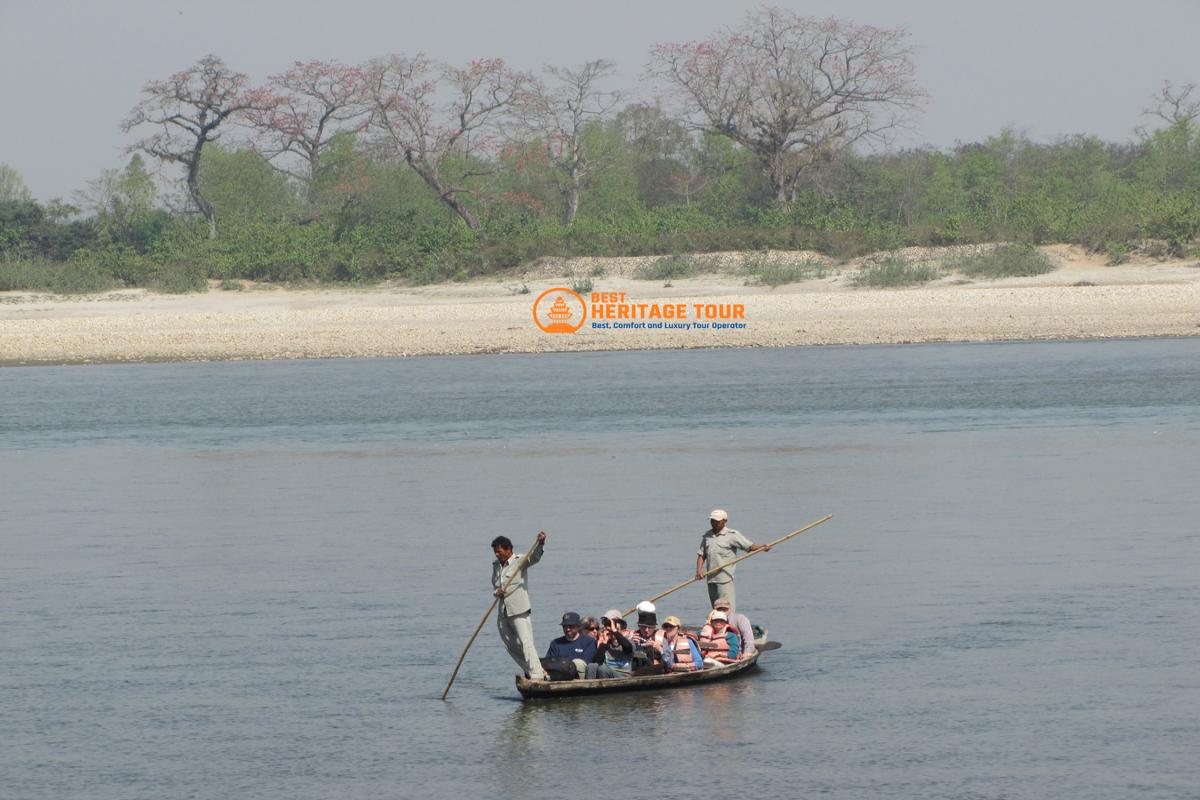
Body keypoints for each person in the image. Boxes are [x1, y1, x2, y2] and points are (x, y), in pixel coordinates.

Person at [492, 531, 547, 681]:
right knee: (508, 644)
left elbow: (534, 558)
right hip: (503, 612)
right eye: (495, 552)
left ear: (508, 549)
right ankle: (532, 669)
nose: (497, 554)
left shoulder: (519, 560)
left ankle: (537, 675)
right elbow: (495, 586)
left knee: (526, 642)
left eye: (499, 551)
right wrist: (497, 592)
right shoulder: (496, 566)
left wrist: (540, 543)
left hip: (519, 609)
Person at [695, 509, 770, 610]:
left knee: (727, 609)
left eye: (717, 521)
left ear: (725, 521)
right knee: (716, 609)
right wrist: (699, 571)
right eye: (712, 520)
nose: (714, 523)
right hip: (711, 579)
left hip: (725, 578)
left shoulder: (732, 535)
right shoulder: (707, 536)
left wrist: (762, 547)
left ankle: (730, 625)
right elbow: (701, 555)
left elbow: (749, 546)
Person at [543, 611, 597, 679]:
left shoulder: (589, 642)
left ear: (578, 626)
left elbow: (585, 663)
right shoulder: (555, 643)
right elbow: (548, 663)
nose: (567, 629)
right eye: (564, 626)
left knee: (578, 663)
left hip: (581, 678)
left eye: (571, 626)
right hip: (559, 678)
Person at [586, 609, 635, 679]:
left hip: (623, 676)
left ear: (622, 629)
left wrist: (615, 631)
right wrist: (604, 643)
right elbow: (597, 661)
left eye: (616, 628)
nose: (612, 629)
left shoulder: (629, 642)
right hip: (607, 673)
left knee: (603, 669)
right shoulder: (606, 643)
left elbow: (628, 648)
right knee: (591, 666)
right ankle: (589, 688)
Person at [627, 601, 666, 670]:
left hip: (657, 670)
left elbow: (670, 657)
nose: (646, 630)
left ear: (654, 626)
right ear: (639, 625)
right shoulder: (633, 635)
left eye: (650, 627)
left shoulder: (662, 635)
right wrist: (632, 645)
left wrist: (659, 648)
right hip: (638, 669)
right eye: (643, 627)